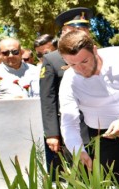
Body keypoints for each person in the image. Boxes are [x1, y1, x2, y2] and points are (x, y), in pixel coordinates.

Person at [58, 30, 119, 187]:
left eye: (84, 61)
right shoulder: (69, 81)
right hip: (102, 137)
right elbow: (69, 121)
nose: (80, 69)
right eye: (72, 64)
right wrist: (78, 151)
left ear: (94, 50)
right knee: (108, 187)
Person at [39, 7, 92, 178]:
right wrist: (52, 133)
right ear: (64, 32)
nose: (83, 33)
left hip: (99, 126)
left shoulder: (96, 53)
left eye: (85, 29)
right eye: (77, 30)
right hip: (73, 128)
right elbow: (48, 99)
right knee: (79, 177)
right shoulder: (52, 59)